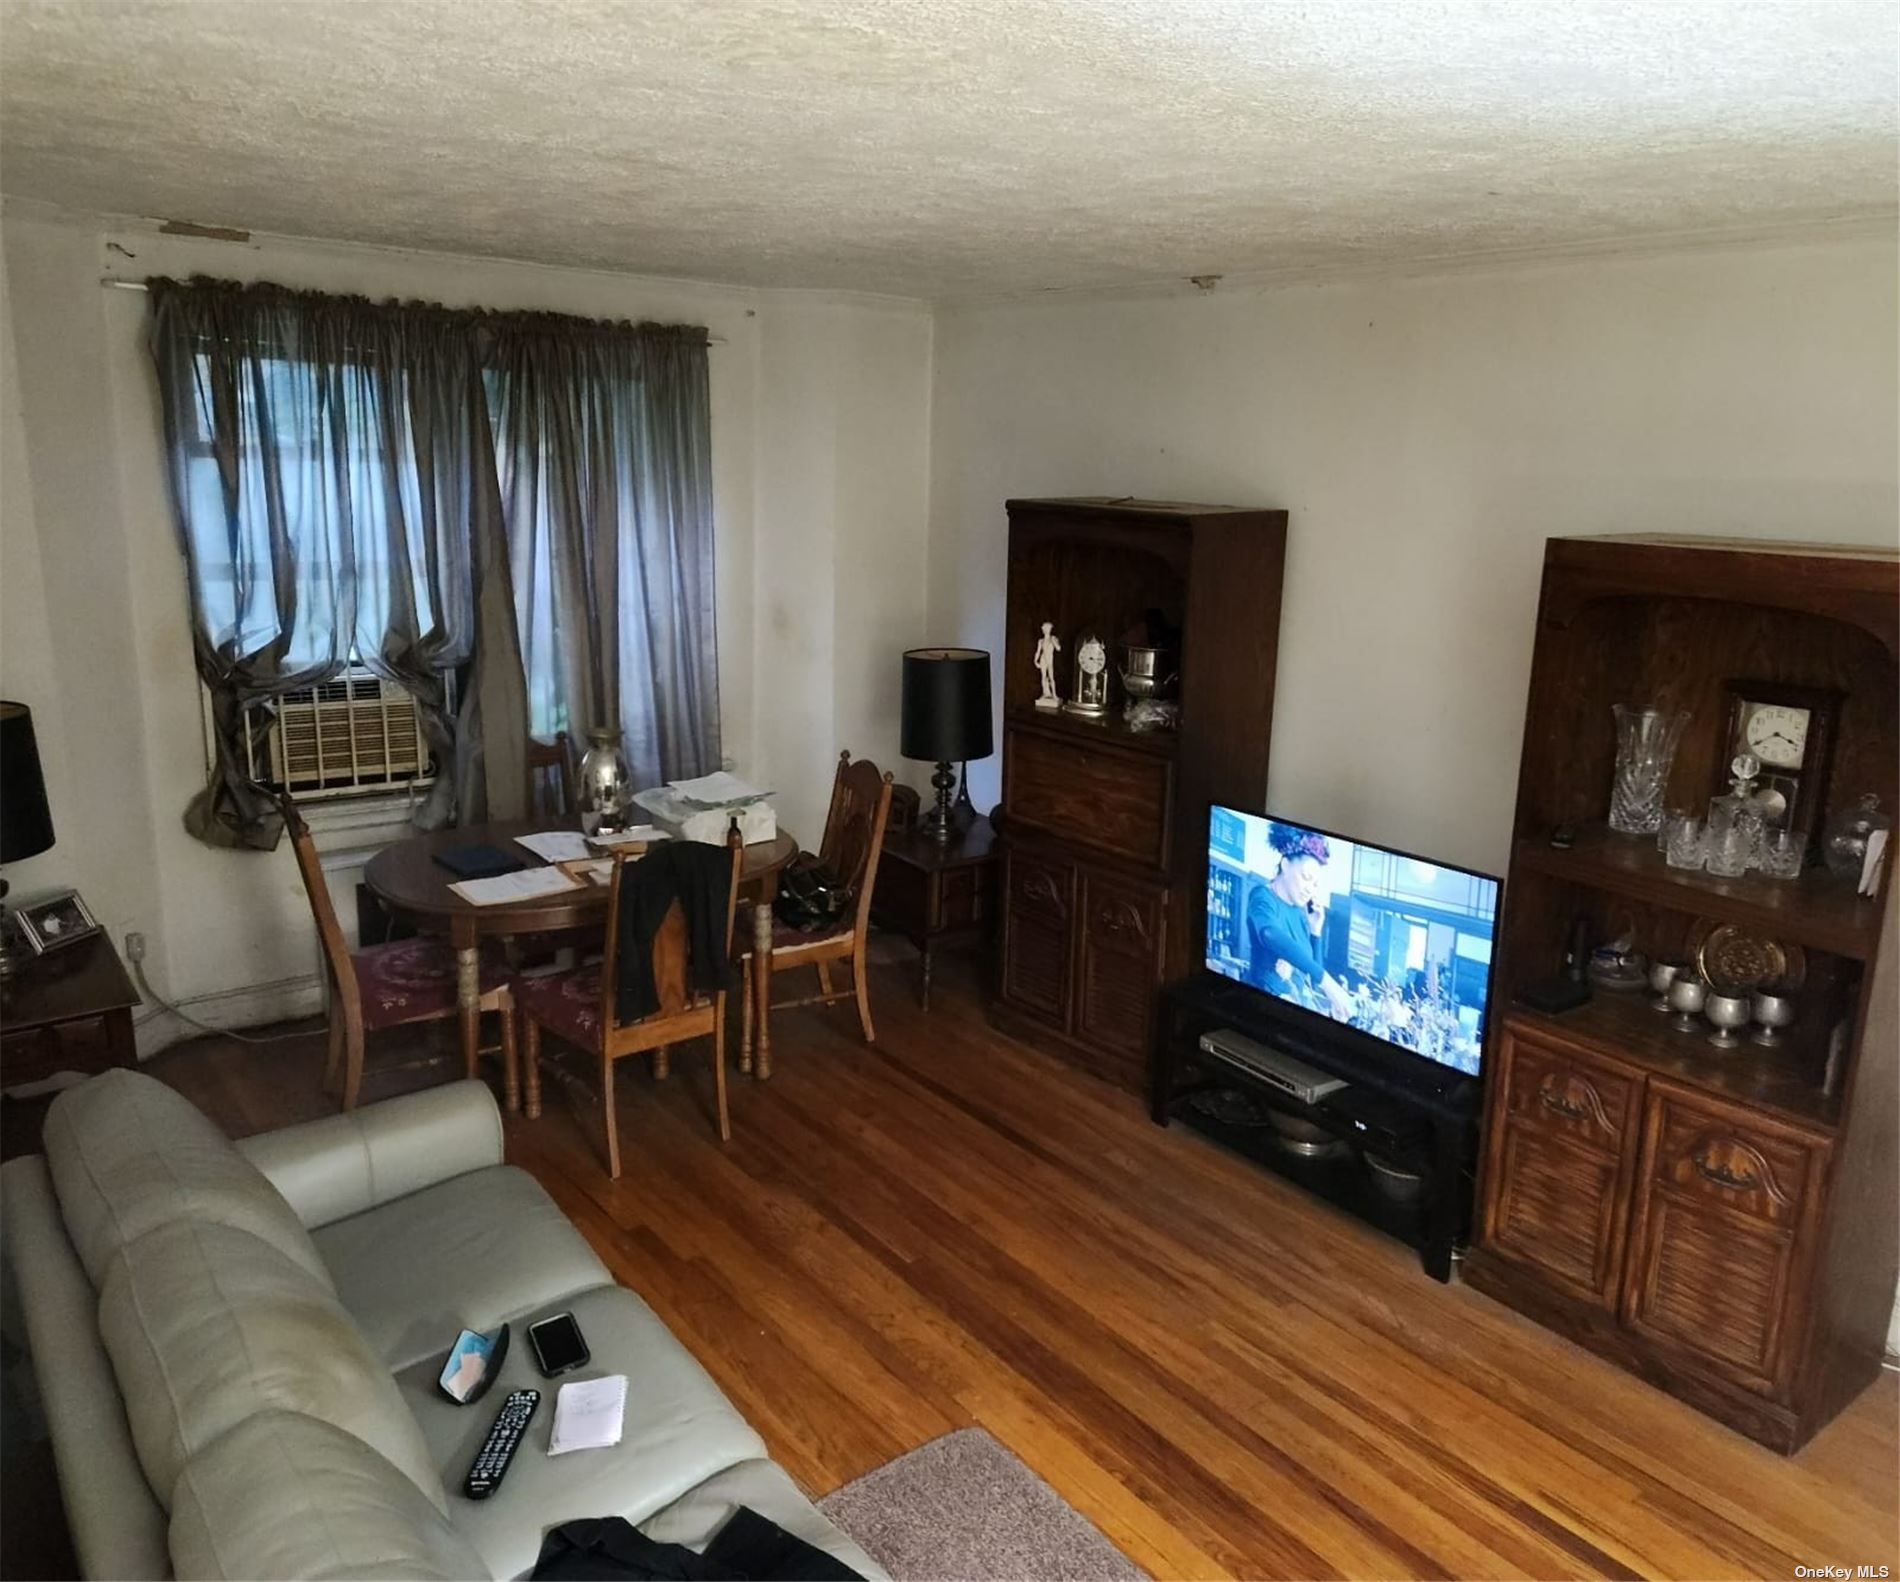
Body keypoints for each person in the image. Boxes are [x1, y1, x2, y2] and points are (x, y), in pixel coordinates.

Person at [1245, 824, 1353, 1021]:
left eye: (1315, 884)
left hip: (1293, 1018)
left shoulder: (1301, 914)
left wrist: (1315, 933)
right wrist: (1328, 982)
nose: (1310, 889)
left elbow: (1311, 975)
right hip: (1260, 1016)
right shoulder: (1262, 896)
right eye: (1306, 878)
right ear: (1285, 865)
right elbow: (1269, 933)